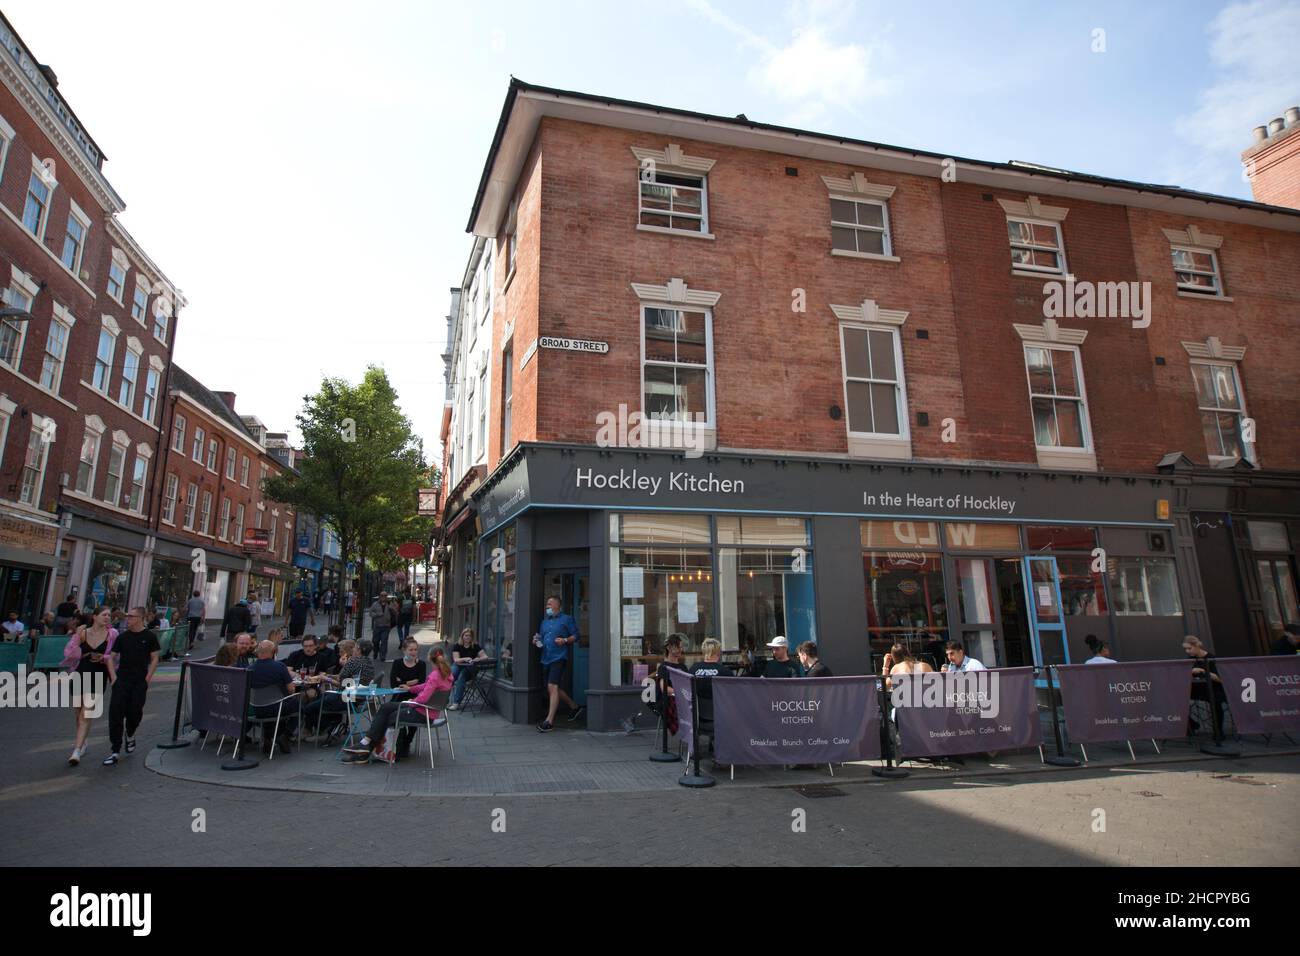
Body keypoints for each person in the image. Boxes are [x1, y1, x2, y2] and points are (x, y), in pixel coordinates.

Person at [344, 647, 454, 763]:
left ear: (430, 659)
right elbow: (425, 686)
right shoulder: (446, 675)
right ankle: (366, 745)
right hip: (430, 711)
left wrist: (412, 701)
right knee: (386, 708)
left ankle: (366, 746)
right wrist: (411, 689)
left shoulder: (434, 676)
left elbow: (424, 697)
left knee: (389, 716)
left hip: (422, 712)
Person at [103, 607, 160, 765]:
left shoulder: (149, 637)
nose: (127, 619)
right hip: (122, 680)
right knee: (116, 713)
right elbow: (111, 657)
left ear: (141, 618)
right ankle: (115, 750)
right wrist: (113, 677)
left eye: (131, 616)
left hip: (139, 681)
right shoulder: (123, 637)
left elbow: (155, 657)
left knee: (135, 711)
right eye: (127, 616)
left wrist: (148, 677)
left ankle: (130, 732)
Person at [63, 606, 117, 766]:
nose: (107, 617)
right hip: (80, 673)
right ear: (94, 617)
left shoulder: (112, 634)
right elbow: (69, 653)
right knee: (78, 712)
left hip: (99, 675)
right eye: (104, 615)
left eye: (109, 615)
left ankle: (76, 751)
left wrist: (103, 657)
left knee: (86, 714)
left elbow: (115, 656)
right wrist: (76, 639)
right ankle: (83, 740)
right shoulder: (83, 632)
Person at [304, 638, 375, 740]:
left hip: (348, 699)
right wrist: (330, 676)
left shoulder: (353, 662)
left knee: (310, 707)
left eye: (355, 647)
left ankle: (326, 728)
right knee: (324, 697)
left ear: (358, 650)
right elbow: (347, 679)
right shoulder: (369, 662)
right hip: (361, 698)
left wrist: (326, 678)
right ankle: (333, 726)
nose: (354, 649)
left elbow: (341, 684)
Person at [534, 595, 581, 732]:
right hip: (545, 658)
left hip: (559, 657)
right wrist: (536, 639)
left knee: (552, 686)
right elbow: (540, 638)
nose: (547, 605)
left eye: (549, 603)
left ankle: (549, 721)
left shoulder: (566, 619)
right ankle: (574, 706)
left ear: (557, 605)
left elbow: (576, 635)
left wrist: (565, 640)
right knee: (552, 688)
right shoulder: (544, 622)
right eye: (547, 603)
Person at [248, 640, 298, 754]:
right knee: (297, 705)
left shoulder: (249, 668)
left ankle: (268, 737)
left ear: (258, 652)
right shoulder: (279, 666)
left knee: (272, 706)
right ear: (273, 652)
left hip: (257, 708)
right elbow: (291, 689)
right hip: (276, 707)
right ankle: (285, 735)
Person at [389, 639, 428, 757]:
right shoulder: (397, 663)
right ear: (404, 650)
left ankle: (406, 742)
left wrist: (404, 682)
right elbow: (394, 684)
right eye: (410, 650)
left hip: (415, 698)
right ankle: (399, 745)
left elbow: (421, 684)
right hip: (399, 696)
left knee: (414, 717)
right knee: (395, 715)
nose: (413, 652)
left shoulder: (421, 664)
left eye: (415, 649)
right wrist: (410, 683)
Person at [1183, 635, 1226, 734]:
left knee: (1216, 702)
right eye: (1185, 649)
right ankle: (1192, 725)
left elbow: (1220, 679)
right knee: (1176, 699)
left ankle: (1218, 731)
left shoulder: (1211, 658)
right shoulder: (1190, 659)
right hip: (1197, 688)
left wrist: (1203, 671)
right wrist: (1190, 671)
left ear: (1197, 645)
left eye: (1189, 648)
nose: (1187, 651)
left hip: (1214, 688)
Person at [448, 627, 487, 710]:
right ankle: (444, 698)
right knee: (451, 676)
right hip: (459, 665)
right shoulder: (457, 645)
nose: (467, 637)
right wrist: (465, 658)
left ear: (472, 637)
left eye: (469, 636)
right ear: (462, 636)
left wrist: (478, 659)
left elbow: (485, 656)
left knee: (461, 677)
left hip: (469, 668)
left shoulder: (475, 646)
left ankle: (456, 703)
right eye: (466, 635)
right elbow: (456, 660)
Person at [369, 592, 392, 661]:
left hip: (386, 626)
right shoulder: (375, 604)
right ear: (379, 596)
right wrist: (377, 615)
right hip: (377, 626)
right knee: (375, 641)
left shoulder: (390, 604)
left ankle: (383, 656)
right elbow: (371, 613)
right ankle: (375, 652)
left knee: (384, 641)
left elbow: (396, 611)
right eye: (382, 595)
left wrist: (392, 608)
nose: (383, 597)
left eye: (385, 595)